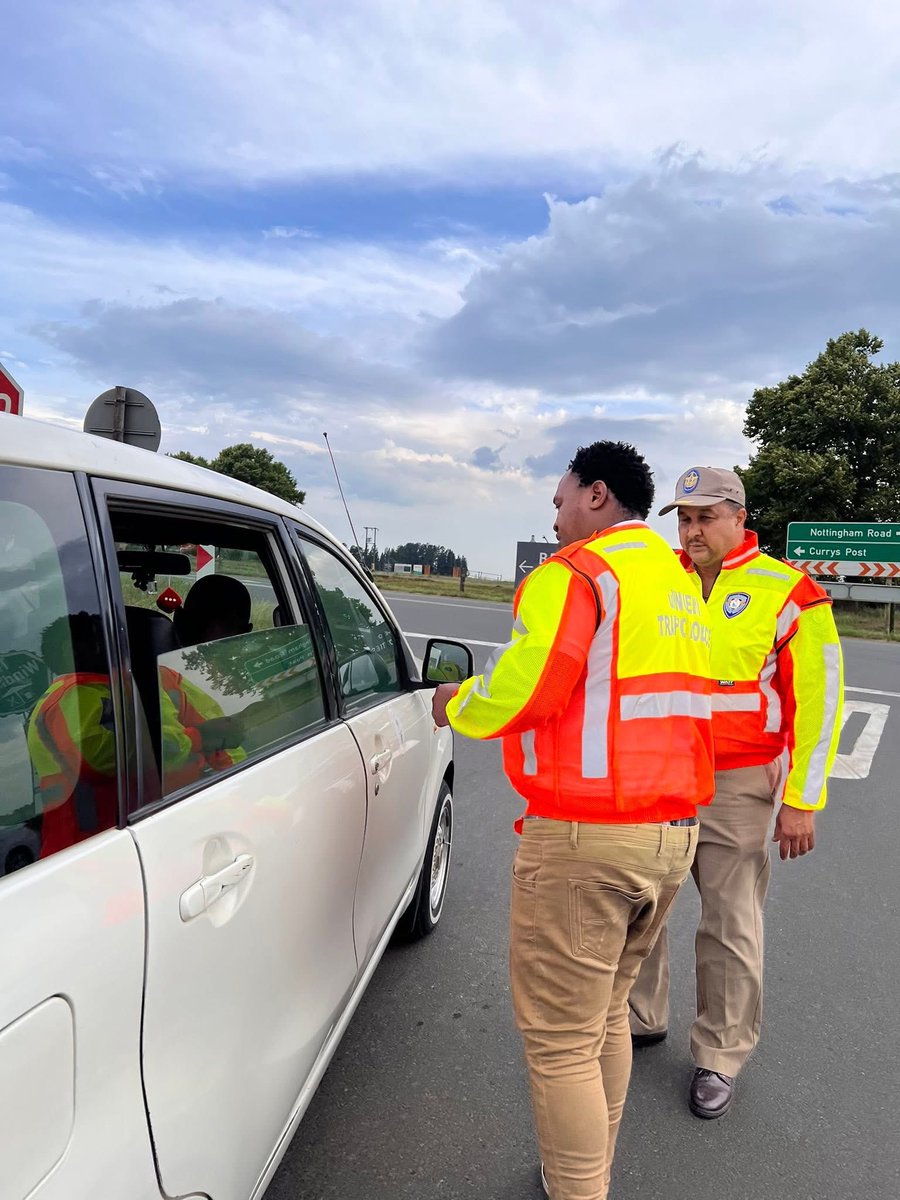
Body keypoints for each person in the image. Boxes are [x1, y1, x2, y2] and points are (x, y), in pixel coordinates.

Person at [432, 441, 716, 1200]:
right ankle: (581, 1171)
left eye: (559, 500)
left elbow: (526, 688)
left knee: (560, 1041)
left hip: (591, 837)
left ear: (596, 495)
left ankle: (580, 1188)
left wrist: (452, 702)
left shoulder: (579, 574)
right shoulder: (675, 579)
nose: (554, 517)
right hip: (670, 834)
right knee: (603, 1021)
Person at [628, 466, 844, 1120]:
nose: (691, 530)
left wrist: (802, 799)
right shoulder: (655, 579)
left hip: (737, 782)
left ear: (737, 516)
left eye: (703, 517)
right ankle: (642, 1016)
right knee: (642, 904)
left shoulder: (787, 591)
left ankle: (719, 1054)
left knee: (729, 923)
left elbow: (821, 698)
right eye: (683, 518)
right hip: (656, 774)